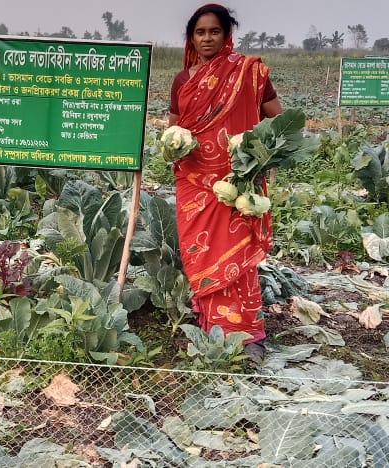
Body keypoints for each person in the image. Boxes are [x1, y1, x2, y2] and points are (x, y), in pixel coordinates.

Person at [167, 4, 282, 366]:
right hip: (194, 182)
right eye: (200, 32)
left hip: (237, 181)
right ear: (191, 37)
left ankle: (248, 335)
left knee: (237, 255)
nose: (207, 39)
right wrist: (174, 145)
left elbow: (278, 120)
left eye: (214, 31)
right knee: (203, 253)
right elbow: (174, 129)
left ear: (227, 34)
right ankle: (211, 325)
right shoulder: (183, 80)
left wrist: (255, 153)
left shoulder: (248, 73)